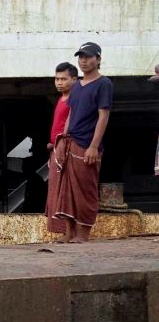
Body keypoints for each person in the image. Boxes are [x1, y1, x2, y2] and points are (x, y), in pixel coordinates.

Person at [48, 42, 113, 243]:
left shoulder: (104, 84)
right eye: (81, 57)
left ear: (98, 59)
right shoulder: (76, 87)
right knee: (65, 189)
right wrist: (63, 139)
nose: (84, 60)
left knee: (85, 189)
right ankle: (69, 232)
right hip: (70, 143)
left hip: (87, 144)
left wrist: (94, 146)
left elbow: (103, 117)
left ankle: (84, 233)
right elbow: (71, 115)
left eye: (88, 57)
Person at [44, 62, 78, 236]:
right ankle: (62, 232)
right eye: (57, 79)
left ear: (74, 79)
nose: (59, 82)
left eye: (63, 79)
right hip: (56, 148)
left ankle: (69, 233)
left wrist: (61, 143)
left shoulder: (74, 98)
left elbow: (70, 125)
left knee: (65, 190)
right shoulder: (60, 98)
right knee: (55, 190)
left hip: (66, 147)